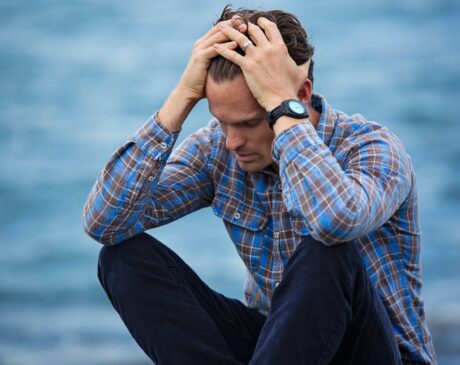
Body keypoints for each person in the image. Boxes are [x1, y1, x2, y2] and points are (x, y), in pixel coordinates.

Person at [82, 5, 437, 365]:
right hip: (277, 348)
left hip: (376, 354)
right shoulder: (218, 150)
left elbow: (334, 220)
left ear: (299, 96)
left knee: (328, 250)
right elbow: (104, 223)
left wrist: (283, 111)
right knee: (122, 259)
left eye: (250, 123)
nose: (232, 141)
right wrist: (182, 97)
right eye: (222, 122)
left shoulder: (372, 148)